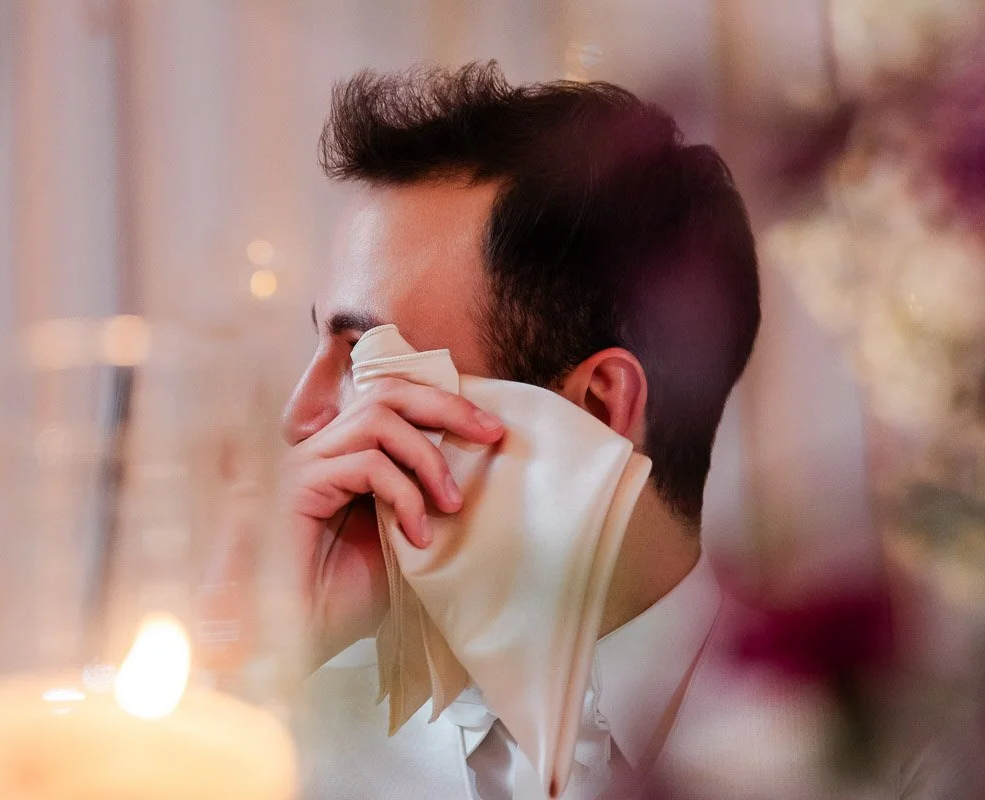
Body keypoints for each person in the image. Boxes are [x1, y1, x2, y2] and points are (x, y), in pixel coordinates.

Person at [279, 61, 761, 799]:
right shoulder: (273, 748)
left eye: (366, 362)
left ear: (597, 410)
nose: (302, 420)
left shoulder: (881, 747)